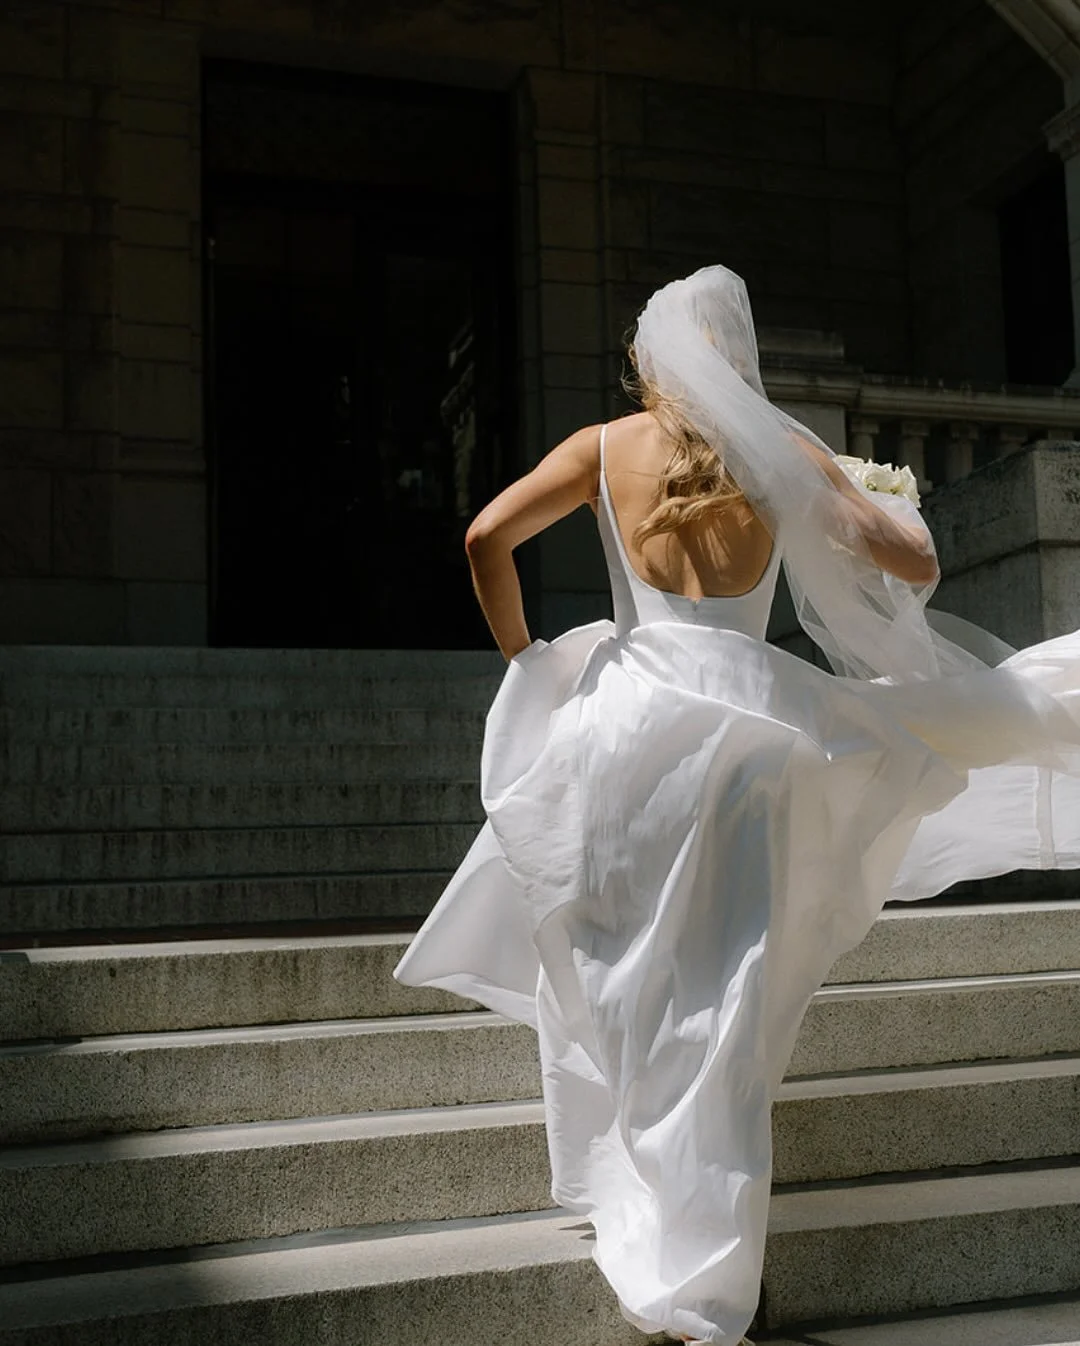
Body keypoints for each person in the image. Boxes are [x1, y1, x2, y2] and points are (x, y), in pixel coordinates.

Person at [394, 265, 1080, 1344]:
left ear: (648, 361)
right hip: (758, 732)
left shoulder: (605, 446)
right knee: (730, 997)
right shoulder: (784, 456)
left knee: (629, 973)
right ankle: (709, 1261)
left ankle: (640, 1192)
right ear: (736, 355)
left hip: (631, 734)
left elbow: (485, 539)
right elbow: (920, 561)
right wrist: (861, 503)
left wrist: (527, 656)